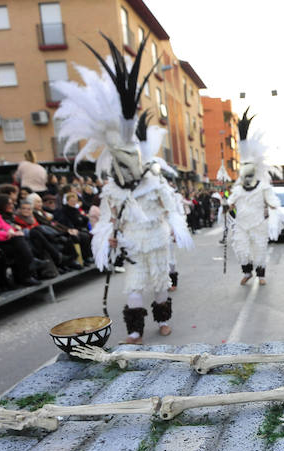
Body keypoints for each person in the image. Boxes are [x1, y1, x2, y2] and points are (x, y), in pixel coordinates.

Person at [55, 35, 192, 342]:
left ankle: (163, 320)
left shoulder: (155, 183)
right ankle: (134, 329)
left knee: (159, 286)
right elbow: (105, 220)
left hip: (156, 243)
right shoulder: (111, 192)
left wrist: (175, 228)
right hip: (131, 246)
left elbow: (172, 209)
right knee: (133, 288)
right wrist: (106, 239)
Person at [223, 109, 284, 286]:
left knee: (259, 249)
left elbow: (272, 200)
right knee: (241, 249)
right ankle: (247, 272)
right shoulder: (238, 188)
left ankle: (261, 275)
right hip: (241, 224)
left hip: (258, 223)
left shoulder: (263, 186)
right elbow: (230, 201)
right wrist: (226, 205)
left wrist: (273, 207)